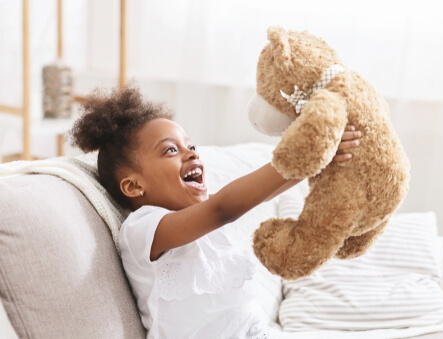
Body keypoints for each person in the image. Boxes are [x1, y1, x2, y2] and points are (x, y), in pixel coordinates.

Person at [70, 87, 362, 339]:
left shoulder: (198, 217)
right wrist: (301, 153)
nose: (192, 154)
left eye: (191, 146)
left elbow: (261, 195)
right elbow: (223, 208)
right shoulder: (142, 229)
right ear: (134, 186)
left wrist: (317, 160)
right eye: (171, 150)